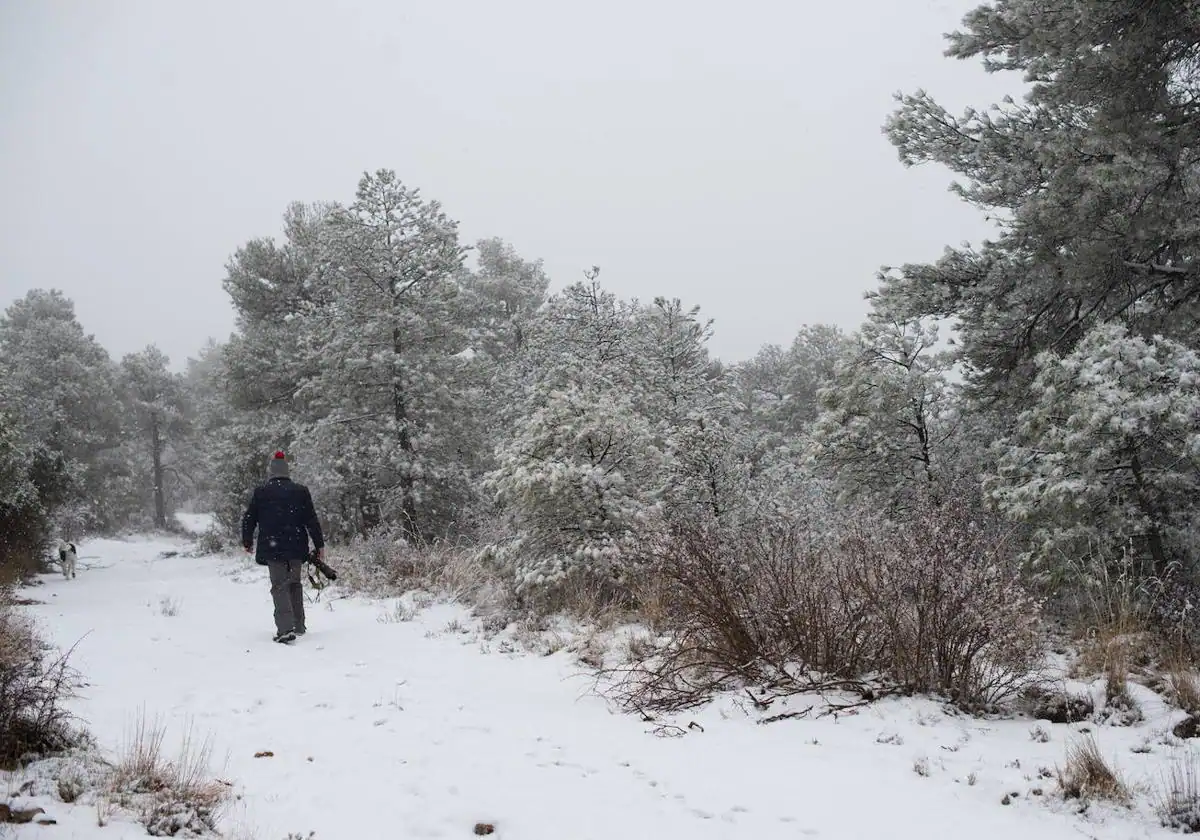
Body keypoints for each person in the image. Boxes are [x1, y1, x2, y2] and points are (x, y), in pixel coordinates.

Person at [241, 450, 325, 643]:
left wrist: (247, 541)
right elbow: (311, 520)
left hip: (273, 547)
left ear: (272, 472)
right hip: (296, 546)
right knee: (294, 583)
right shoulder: (300, 491)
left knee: (279, 586)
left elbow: (249, 518)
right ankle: (298, 624)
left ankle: (286, 629)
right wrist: (319, 545)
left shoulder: (262, 492)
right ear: (287, 471)